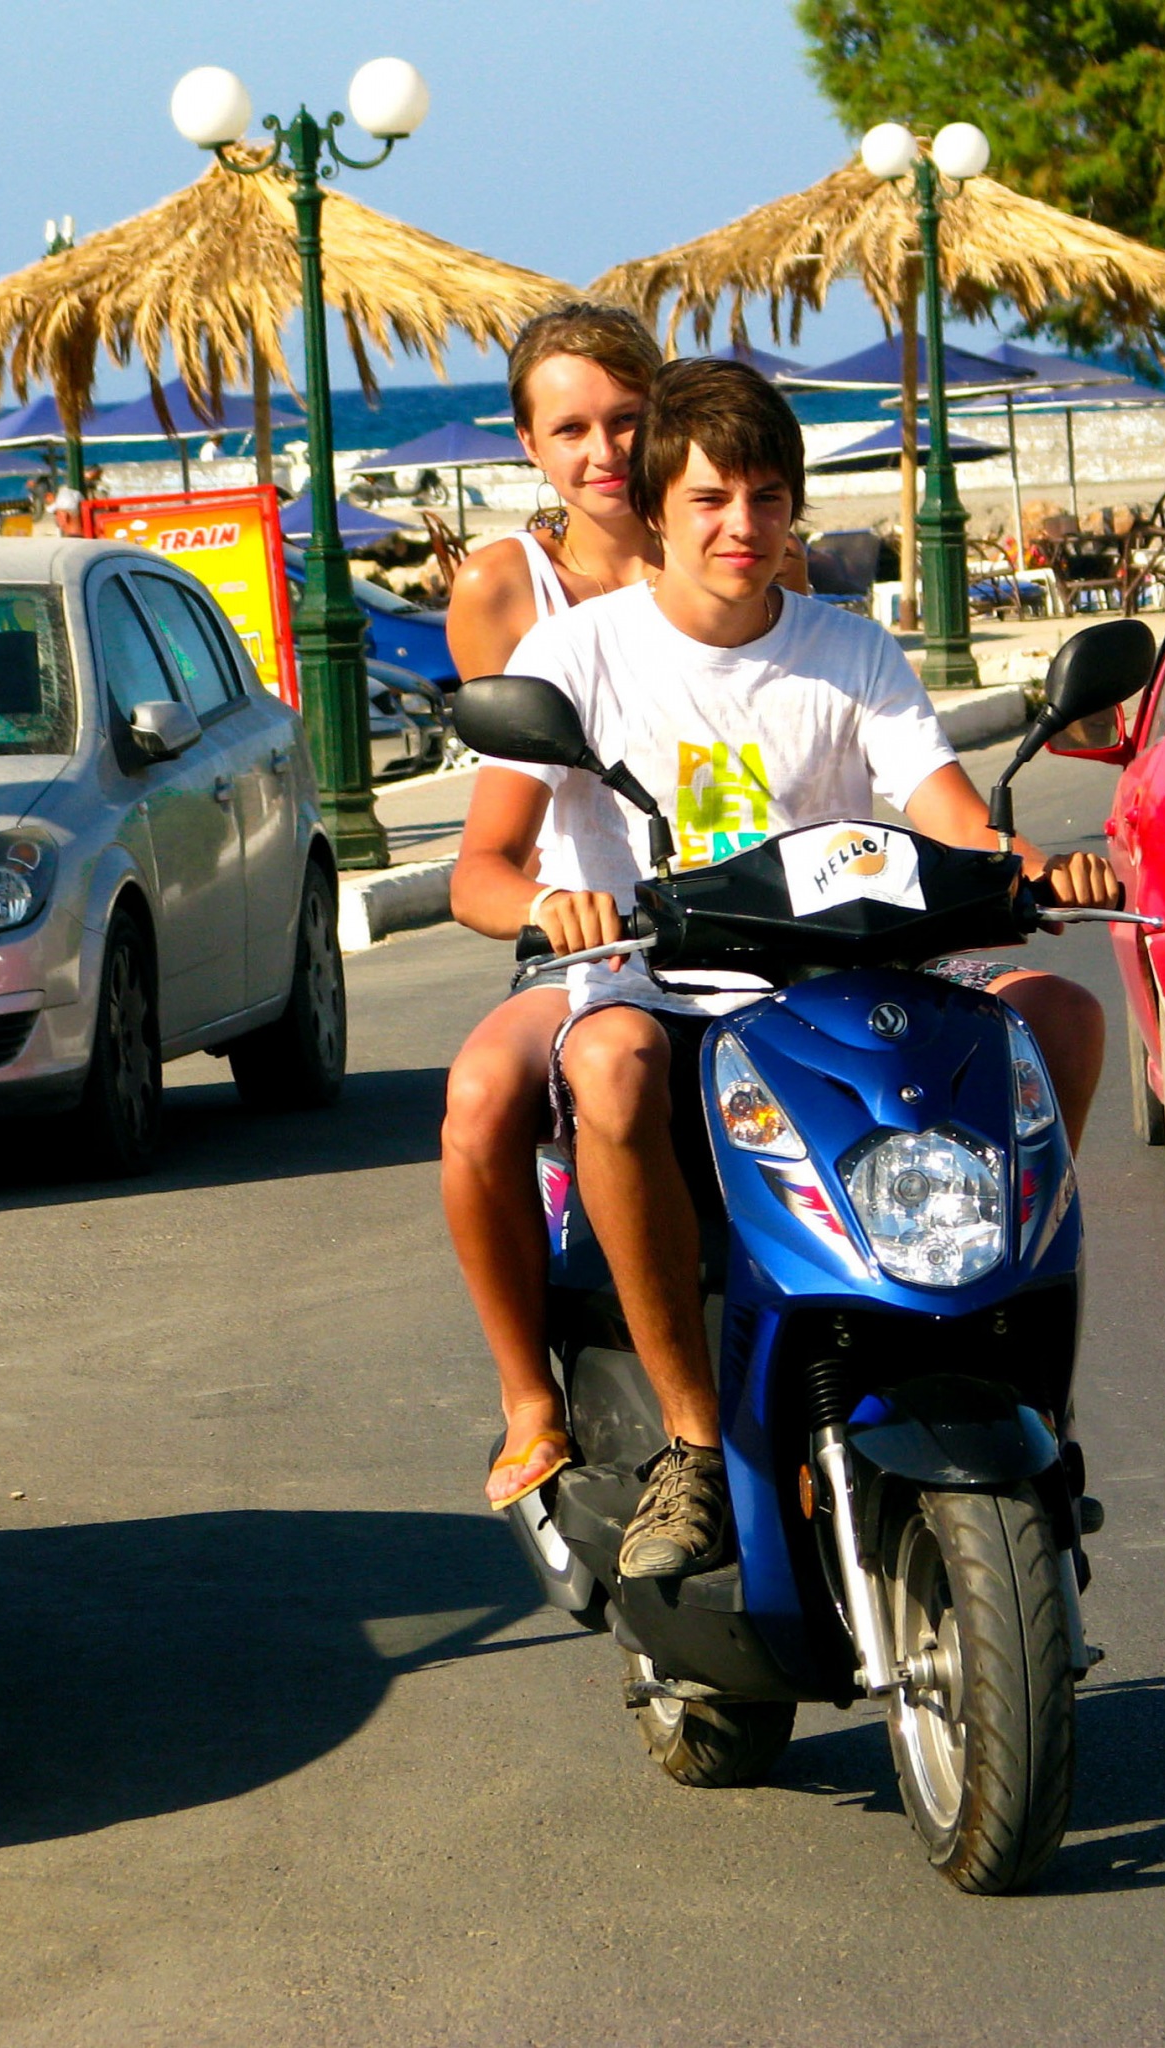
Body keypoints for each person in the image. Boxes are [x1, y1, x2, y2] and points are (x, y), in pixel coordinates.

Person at [448, 358, 1118, 1578]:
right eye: (710, 499)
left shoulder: (847, 649)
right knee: (608, 1061)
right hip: (666, 995)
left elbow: (953, 817)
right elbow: (478, 871)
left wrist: (1041, 870)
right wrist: (551, 904)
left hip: (842, 994)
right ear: (656, 506)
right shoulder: (575, 654)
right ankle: (693, 1445)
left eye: (765, 497)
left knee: (1059, 1015)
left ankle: (1024, 1392)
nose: (741, 526)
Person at [446, 307, 811, 1513]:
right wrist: (556, 906)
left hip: (747, 926)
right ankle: (528, 1397)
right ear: (527, 444)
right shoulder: (507, 587)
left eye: (625, 419)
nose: (601, 451)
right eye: (569, 429)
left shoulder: (748, 547)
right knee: (482, 1094)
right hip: (586, 932)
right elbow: (509, 806)